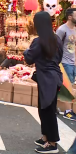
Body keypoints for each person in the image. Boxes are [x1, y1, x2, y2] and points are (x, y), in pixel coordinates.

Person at [24, 11, 63, 154]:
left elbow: (29, 58)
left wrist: (26, 51)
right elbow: (59, 58)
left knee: (47, 111)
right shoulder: (57, 39)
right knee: (44, 109)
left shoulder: (38, 41)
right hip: (54, 77)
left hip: (47, 79)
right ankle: (45, 137)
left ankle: (52, 144)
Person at [56, 8, 76, 84]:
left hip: (73, 64)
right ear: (70, 17)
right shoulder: (61, 30)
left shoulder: (75, 30)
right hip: (64, 63)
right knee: (67, 90)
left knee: (72, 88)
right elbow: (55, 45)